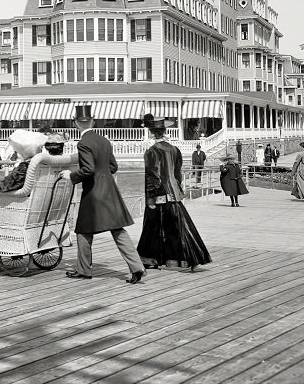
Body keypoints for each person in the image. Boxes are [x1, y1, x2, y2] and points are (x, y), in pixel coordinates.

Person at [61, 104, 145, 284]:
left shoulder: (83, 143)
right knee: (118, 230)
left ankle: (84, 270)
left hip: (93, 194)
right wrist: (103, 174)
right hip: (110, 192)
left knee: (83, 231)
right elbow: (114, 167)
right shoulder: (105, 141)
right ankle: (137, 267)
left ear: (76, 123)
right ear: (93, 121)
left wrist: (71, 176)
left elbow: (88, 169)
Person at [136, 114, 211, 271]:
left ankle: (151, 259)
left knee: (152, 228)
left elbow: (153, 176)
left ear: (151, 132)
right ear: (164, 131)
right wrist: (177, 190)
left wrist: (151, 200)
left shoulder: (151, 151)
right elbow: (177, 175)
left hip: (158, 196)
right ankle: (186, 259)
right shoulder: (175, 150)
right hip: (173, 194)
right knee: (178, 227)